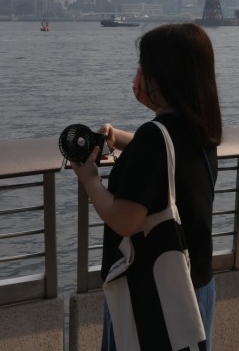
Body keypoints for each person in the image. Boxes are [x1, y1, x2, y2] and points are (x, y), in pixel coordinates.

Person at [71, 23, 222, 351]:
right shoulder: (202, 130)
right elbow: (165, 152)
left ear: (165, 74)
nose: (138, 75)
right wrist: (120, 138)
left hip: (152, 294)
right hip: (196, 283)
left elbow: (124, 220)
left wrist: (89, 177)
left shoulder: (154, 139)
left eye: (144, 66)